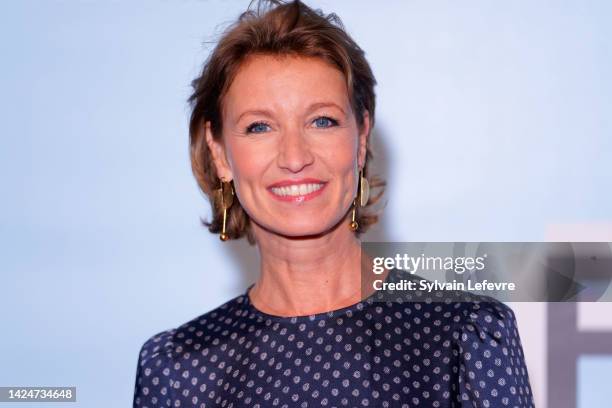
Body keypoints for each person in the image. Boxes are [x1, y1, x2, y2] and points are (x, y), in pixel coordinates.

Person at [132, 1, 535, 407]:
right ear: (219, 153)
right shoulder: (178, 370)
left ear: (361, 137)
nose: (294, 157)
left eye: (321, 121)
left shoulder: (465, 337)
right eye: (259, 126)